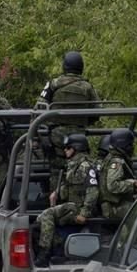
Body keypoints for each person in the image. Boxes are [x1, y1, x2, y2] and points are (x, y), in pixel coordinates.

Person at [33, 133, 99, 268]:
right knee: (45, 221)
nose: (65, 150)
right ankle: (57, 251)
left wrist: (84, 213)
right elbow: (69, 186)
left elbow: (93, 190)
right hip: (72, 207)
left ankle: (44, 254)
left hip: (79, 208)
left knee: (47, 215)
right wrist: (56, 193)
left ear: (76, 148)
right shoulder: (73, 165)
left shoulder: (85, 166)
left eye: (68, 147)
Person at [36, 51, 101, 187]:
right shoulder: (87, 87)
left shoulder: (54, 84)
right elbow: (97, 112)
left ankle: (55, 196)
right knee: (81, 167)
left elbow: (39, 108)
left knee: (56, 170)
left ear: (64, 66)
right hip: (79, 136)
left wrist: (43, 134)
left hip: (56, 136)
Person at [98, 128, 137, 221]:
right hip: (113, 208)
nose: (132, 147)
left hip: (116, 205)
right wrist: (132, 183)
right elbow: (113, 185)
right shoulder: (116, 161)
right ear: (125, 145)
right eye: (130, 144)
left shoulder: (112, 158)